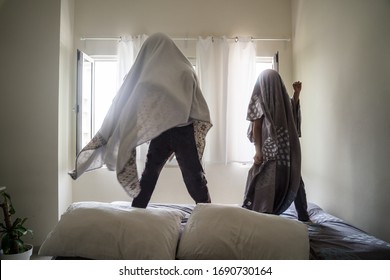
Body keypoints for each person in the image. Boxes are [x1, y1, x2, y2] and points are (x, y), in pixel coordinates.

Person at [69, 33, 212, 207]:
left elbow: (185, 103)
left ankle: (207, 212)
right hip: (166, 131)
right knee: (152, 174)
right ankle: (137, 211)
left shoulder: (180, 71)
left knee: (193, 177)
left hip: (182, 131)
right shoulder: (160, 73)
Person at [243, 69, 309, 221]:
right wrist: (258, 151)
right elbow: (256, 127)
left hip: (286, 149)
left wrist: (297, 94)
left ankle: (303, 216)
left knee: (294, 178)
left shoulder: (282, 100)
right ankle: (264, 212)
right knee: (266, 180)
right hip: (271, 150)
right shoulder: (260, 98)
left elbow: (291, 113)